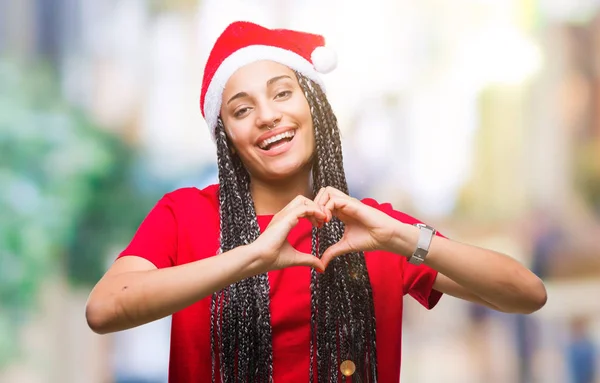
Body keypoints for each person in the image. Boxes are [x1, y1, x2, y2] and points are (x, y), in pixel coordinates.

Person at [85, 21, 548, 383]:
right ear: (226, 135)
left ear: (315, 107)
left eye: (283, 93)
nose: (268, 116)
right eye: (242, 110)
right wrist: (252, 257)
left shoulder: (372, 228)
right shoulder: (185, 214)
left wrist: (401, 237)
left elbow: (527, 293)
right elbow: (104, 310)